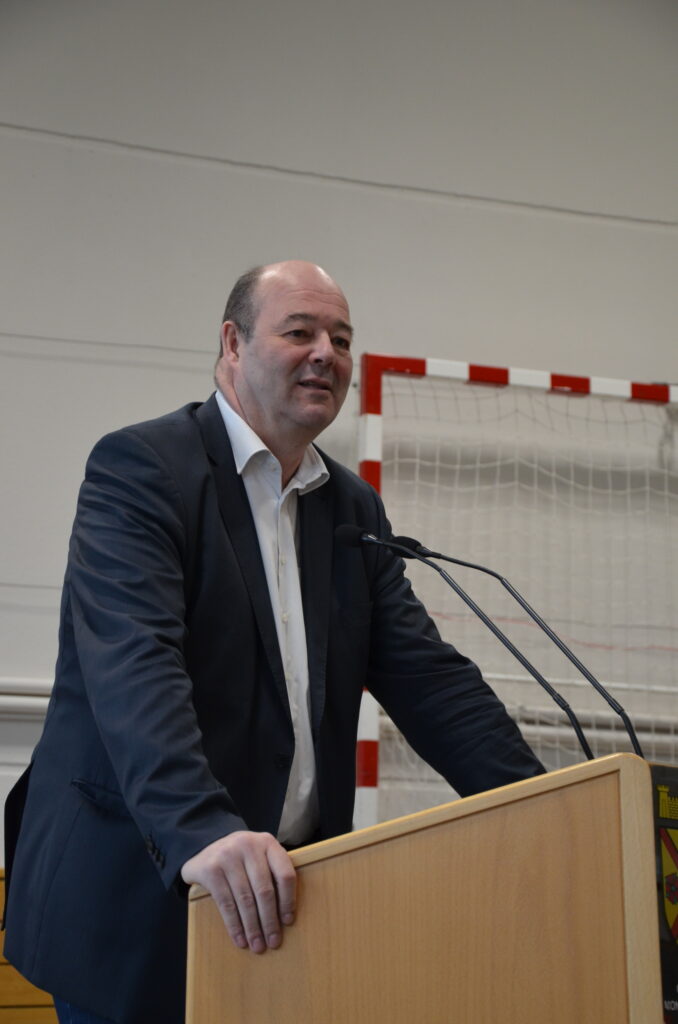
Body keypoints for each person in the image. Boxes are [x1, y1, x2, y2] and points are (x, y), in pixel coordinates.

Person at [3, 261, 544, 1024]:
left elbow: (433, 683)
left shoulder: (352, 509)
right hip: (137, 895)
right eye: (300, 332)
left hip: (283, 907)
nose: (326, 353)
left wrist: (543, 805)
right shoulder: (142, 470)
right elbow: (135, 666)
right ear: (233, 343)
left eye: (342, 339)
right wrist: (201, 828)